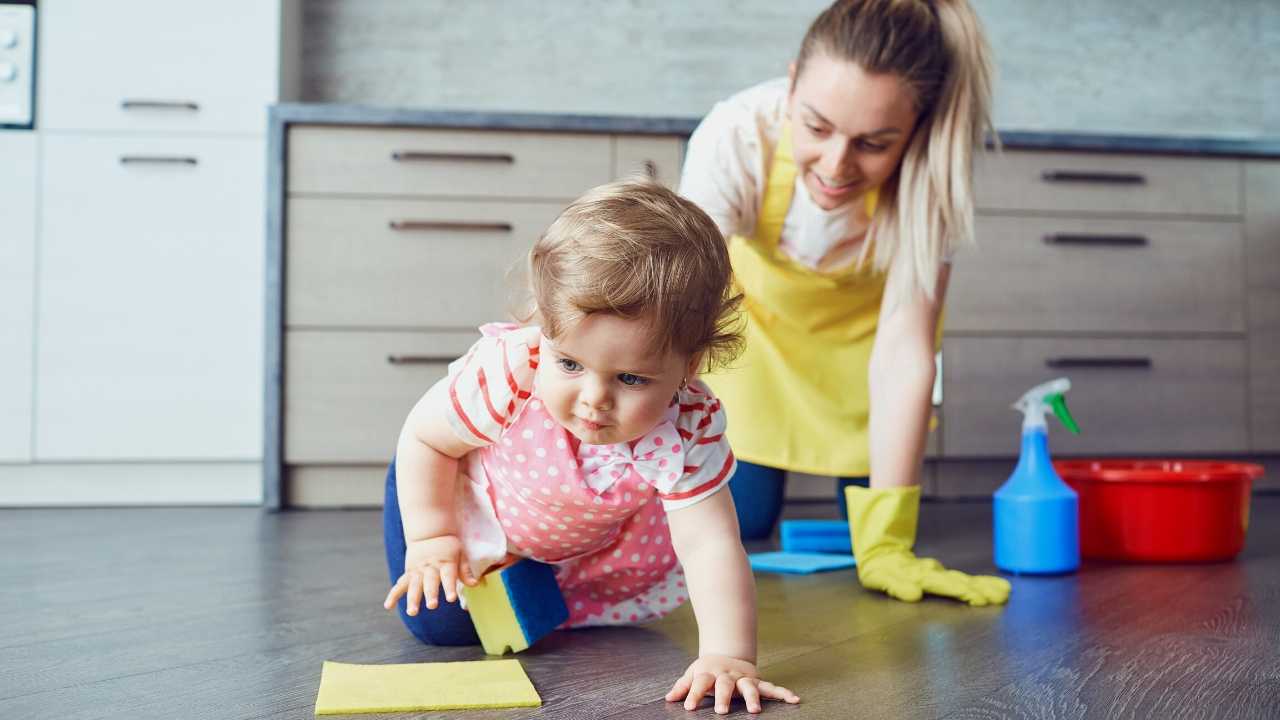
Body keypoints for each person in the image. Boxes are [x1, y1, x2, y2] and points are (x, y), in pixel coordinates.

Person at [382, 179, 801, 714]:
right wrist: (433, 537)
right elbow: (425, 440)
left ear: (688, 368)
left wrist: (730, 655)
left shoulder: (687, 427)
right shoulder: (510, 371)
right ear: (544, 327)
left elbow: (710, 544)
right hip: (453, 489)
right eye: (570, 365)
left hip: (572, 531)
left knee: (564, 618)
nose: (593, 400)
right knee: (441, 626)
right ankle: (497, 560)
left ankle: (536, 571)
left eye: (630, 379)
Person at [679, 0, 1010, 606]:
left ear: (916, 129)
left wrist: (889, 543)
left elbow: (906, 350)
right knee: (740, 519)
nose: (836, 165)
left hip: (866, 357)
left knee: (871, 535)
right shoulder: (737, 134)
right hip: (759, 341)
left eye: (874, 144)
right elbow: (678, 300)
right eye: (816, 127)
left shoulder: (932, 174)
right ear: (792, 80)